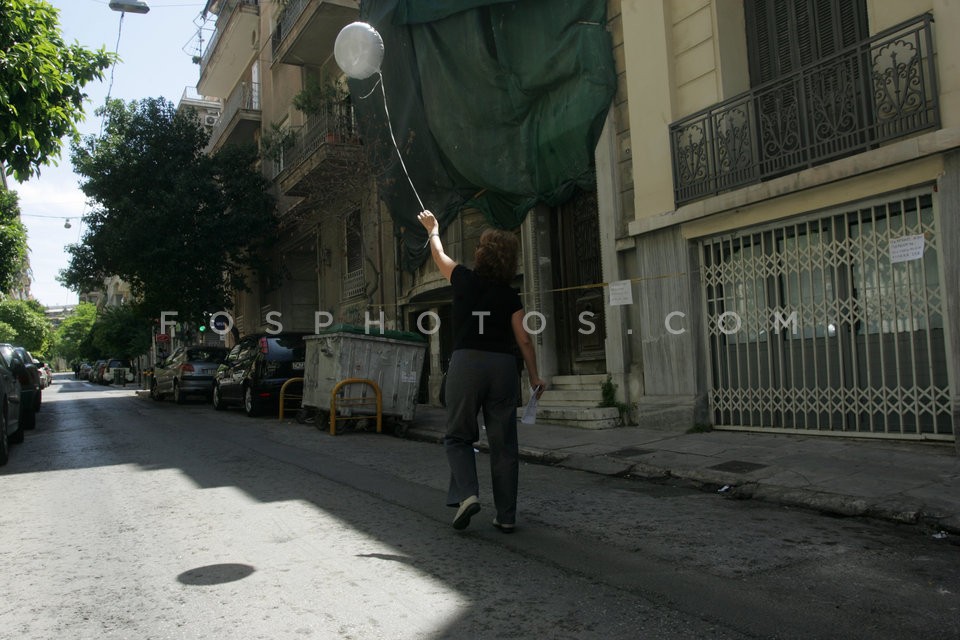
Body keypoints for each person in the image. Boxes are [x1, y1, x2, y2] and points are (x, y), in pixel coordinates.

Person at [417, 210, 547, 533]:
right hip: (503, 367)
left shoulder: (463, 278)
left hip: (467, 363)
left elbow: (439, 254)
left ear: (482, 254)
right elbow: (524, 340)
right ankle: (506, 516)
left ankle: (468, 495)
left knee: (458, 436)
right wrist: (533, 376)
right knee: (504, 444)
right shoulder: (510, 294)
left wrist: (433, 229)